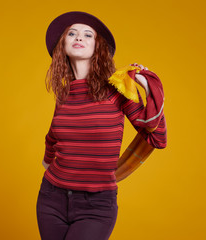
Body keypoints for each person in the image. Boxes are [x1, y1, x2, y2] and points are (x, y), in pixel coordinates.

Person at [36, 11, 167, 240]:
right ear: (62, 45)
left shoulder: (117, 91)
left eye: (88, 35)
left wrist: (147, 89)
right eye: (72, 34)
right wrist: (48, 163)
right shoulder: (64, 95)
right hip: (51, 199)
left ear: (99, 48)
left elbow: (157, 138)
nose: (79, 37)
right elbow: (53, 137)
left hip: (96, 206)